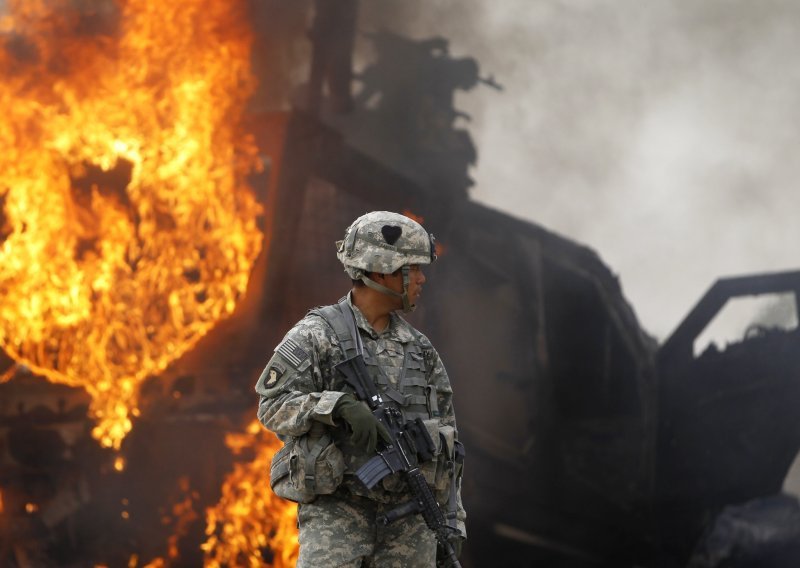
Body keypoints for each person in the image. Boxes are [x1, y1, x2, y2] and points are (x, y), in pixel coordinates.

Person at [255, 211, 466, 567]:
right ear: (382, 269)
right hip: (340, 514)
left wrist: (451, 521)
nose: (421, 279)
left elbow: (448, 443)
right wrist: (335, 407)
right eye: (412, 268)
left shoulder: (421, 350)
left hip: (410, 519)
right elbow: (272, 406)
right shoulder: (317, 335)